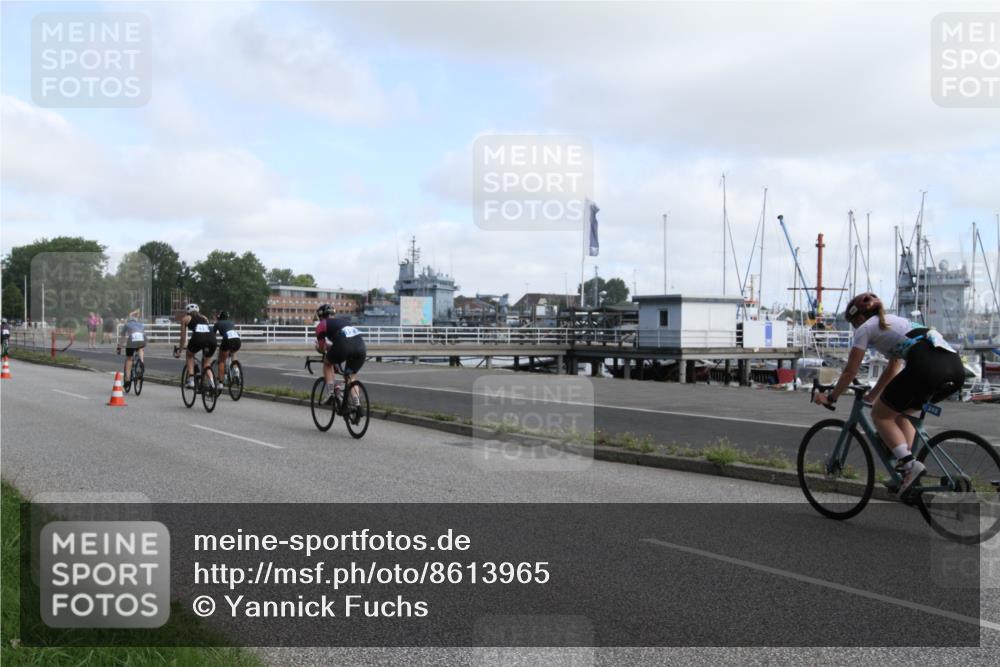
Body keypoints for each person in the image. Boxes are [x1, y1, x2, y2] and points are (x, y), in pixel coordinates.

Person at [814, 292, 966, 495]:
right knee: (903, 414)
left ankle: (910, 466)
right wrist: (872, 396)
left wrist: (831, 397)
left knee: (880, 415)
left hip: (926, 367)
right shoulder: (895, 322)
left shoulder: (865, 328)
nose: (854, 328)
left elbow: (850, 371)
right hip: (955, 368)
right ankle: (906, 472)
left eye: (853, 323)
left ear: (860, 317)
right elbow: (893, 368)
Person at [313, 304, 366, 409]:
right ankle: (357, 404)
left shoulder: (321, 325)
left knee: (327, 363)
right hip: (361, 347)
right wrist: (330, 347)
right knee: (351, 377)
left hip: (343, 346)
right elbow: (343, 340)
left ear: (320, 316)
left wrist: (318, 348)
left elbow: (323, 349)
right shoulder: (344, 322)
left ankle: (330, 394)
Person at [173, 303, 217, 388]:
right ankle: (212, 383)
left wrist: (180, 351)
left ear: (187, 312)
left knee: (189, 355)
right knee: (207, 364)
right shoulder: (205, 318)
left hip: (198, 339)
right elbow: (204, 330)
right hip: (212, 339)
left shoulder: (185, 318)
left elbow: (183, 337)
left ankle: (191, 380)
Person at [116, 310, 146, 391]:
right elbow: (143, 334)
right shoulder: (141, 324)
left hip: (132, 340)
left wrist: (119, 347)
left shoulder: (127, 325)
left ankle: (127, 380)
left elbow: (122, 338)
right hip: (142, 339)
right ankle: (141, 361)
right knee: (141, 348)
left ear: (129, 320)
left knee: (129, 359)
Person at [214, 310, 241, 390]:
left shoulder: (218, 323)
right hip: (237, 339)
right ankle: (236, 370)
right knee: (233, 353)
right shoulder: (231, 322)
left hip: (227, 339)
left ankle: (221, 383)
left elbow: (212, 335)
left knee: (222, 361)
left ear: (219, 317)